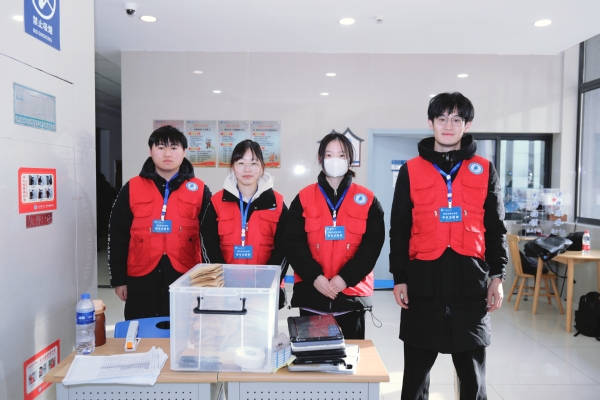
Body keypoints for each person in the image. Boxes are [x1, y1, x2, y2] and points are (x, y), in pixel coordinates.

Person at [389, 92, 507, 400]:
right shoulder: (411, 170)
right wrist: (399, 277)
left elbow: (496, 227)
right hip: (423, 284)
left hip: (470, 284)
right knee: (414, 381)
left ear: (467, 125)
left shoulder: (484, 168)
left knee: (472, 381)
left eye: (456, 119)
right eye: (442, 118)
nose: (449, 125)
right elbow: (399, 228)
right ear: (430, 123)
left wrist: (497, 277)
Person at [284, 132, 385, 339]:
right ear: (320, 159)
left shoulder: (367, 199)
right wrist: (314, 277)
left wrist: (346, 278)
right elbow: (293, 243)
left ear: (350, 159)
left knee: (350, 356)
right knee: (312, 356)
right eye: (329, 155)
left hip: (351, 298)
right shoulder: (304, 197)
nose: (335, 160)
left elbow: (372, 247)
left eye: (341, 155)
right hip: (312, 295)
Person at [108, 125, 212, 320]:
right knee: (141, 327)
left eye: (174, 148)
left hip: (185, 274)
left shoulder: (199, 189)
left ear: (184, 152)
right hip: (141, 275)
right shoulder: (132, 187)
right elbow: (117, 236)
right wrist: (119, 279)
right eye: (161, 147)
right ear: (150, 151)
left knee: (185, 326)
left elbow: (210, 239)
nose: (167, 154)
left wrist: (209, 278)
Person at [201, 139, 289, 309]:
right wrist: (221, 279)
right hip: (225, 289)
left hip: (265, 289)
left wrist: (267, 281)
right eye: (241, 163)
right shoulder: (217, 202)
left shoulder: (277, 203)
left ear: (262, 167)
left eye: (253, 163)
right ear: (233, 167)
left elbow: (285, 246)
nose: (247, 169)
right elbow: (207, 243)